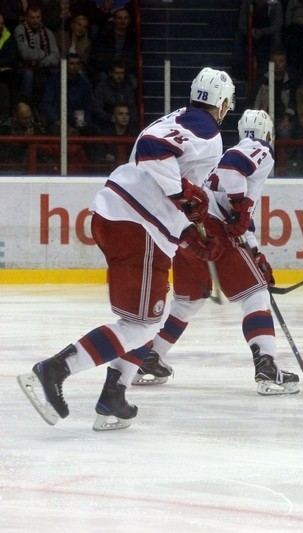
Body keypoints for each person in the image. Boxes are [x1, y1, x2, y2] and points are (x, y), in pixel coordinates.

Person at [16, 67, 235, 431]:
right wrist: (183, 193)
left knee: (149, 317)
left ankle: (114, 394)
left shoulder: (182, 117)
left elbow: (164, 172)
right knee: (142, 323)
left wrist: (187, 234)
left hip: (125, 219)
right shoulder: (207, 129)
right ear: (224, 103)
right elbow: (152, 149)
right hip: (137, 224)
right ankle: (54, 369)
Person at [133, 110, 299, 395]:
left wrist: (256, 254)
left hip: (187, 229)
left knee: (188, 301)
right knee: (254, 295)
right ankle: (267, 368)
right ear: (268, 133)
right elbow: (233, 172)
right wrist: (240, 208)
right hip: (213, 229)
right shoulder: (259, 148)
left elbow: (236, 210)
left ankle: (151, 358)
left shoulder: (221, 154)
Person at [14, 4, 60, 100]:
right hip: (23, 68)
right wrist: (44, 54)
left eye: (38, 17)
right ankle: (25, 105)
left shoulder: (48, 32)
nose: (35, 21)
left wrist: (42, 62)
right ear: (26, 18)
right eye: (32, 18)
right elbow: (25, 53)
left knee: (58, 73)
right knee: (28, 74)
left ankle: (50, 105)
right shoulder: (19, 30)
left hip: (44, 66)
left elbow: (55, 56)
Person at [253, 47, 297, 140]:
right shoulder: (261, 80)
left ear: (286, 63)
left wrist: (286, 119)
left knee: (285, 132)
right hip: (264, 120)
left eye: (281, 61)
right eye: (274, 61)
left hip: (285, 120)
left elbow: (293, 103)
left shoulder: (291, 81)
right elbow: (253, 102)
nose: (278, 64)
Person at [91, 59, 136, 130]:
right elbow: (97, 109)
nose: (119, 76)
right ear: (110, 73)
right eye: (117, 73)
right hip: (104, 124)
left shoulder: (128, 89)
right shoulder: (101, 87)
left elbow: (132, 110)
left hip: (124, 126)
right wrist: (111, 118)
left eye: (122, 73)